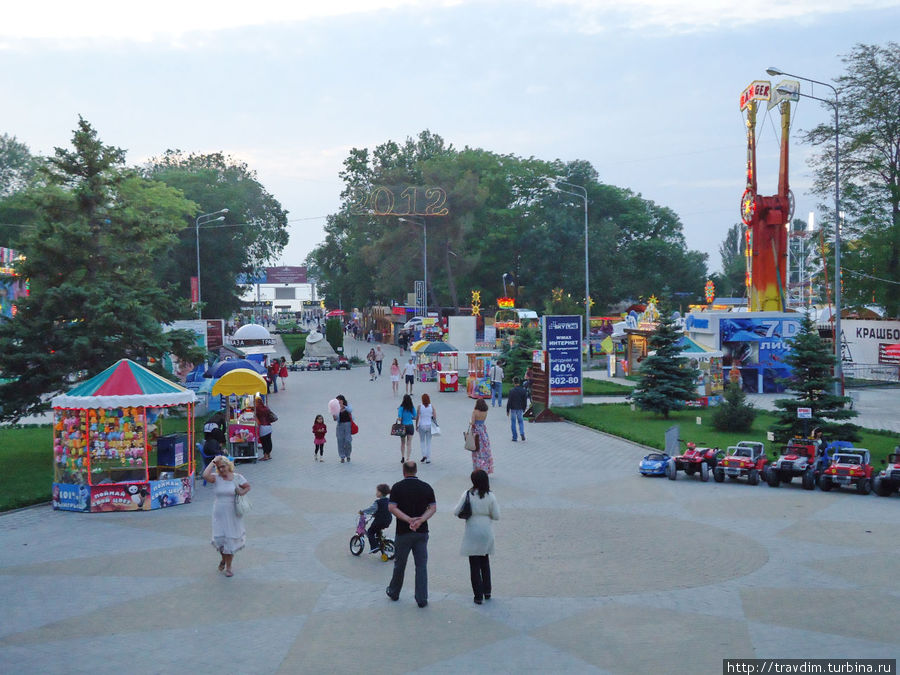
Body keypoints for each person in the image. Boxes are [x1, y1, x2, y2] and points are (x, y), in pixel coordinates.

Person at [386, 461, 436, 608]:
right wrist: (420, 520)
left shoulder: (397, 487)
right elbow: (433, 508)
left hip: (403, 532)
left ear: (404, 471)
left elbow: (391, 507)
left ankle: (394, 592)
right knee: (421, 565)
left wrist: (408, 519)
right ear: (416, 470)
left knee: (399, 564)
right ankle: (422, 598)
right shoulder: (426, 487)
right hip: (421, 532)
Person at [453, 469, 500, 604]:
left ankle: (478, 596)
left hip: (472, 530)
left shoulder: (468, 494)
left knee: (474, 564)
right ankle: (487, 591)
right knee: (485, 561)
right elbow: (497, 515)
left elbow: (456, 511)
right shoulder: (491, 496)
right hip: (486, 530)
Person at [202, 455, 250, 578]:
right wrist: (213, 462)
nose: (221, 470)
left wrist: (241, 492)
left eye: (223, 466)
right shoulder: (216, 478)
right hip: (219, 512)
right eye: (219, 467)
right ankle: (223, 559)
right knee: (220, 541)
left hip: (233, 512)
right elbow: (205, 475)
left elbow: (247, 487)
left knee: (230, 539)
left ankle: (229, 566)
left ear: (228, 466)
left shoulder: (237, 477)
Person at [360, 483, 393, 553]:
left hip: (380, 521)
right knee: (377, 530)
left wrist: (363, 512)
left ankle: (374, 547)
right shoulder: (388, 500)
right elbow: (385, 510)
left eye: (377, 491)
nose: (376, 493)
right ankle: (381, 543)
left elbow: (371, 509)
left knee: (370, 532)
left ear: (380, 493)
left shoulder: (378, 502)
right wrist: (376, 514)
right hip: (388, 520)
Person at [470, 398, 493, 475]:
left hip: (476, 432)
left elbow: (472, 423)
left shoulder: (475, 412)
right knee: (484, 451)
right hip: (483, 431)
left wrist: (470, 422)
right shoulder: (485, 412)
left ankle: (477, 468)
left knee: (476, 451)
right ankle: (485, 468)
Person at [416, 393, 437, 464]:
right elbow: (434, 417)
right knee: (428, 442)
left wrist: (416, 425)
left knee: (422, 441)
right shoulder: (432, 406)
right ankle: (428, 458)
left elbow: (417, 417)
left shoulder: (419, 406)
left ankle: (424, 454)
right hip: (429, 425)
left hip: (422, 425)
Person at [397, 394, 417, 464]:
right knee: (409, 443)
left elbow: (400, 418)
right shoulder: (412, 407)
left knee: (402, 443)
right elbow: (415, 417)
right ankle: (408, 458)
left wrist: (399, 418)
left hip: (403, 427)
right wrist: (410, 417)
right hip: (410, 426)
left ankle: (403, 457)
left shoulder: (401, 408)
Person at [507, 376, 527, 442]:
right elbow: (525, 401)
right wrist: (524, 408)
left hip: (513, 408)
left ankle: (514, 437)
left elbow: (509, 401)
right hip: (520, 408)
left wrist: (507, 410)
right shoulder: (523, 391)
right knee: (520, 421)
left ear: (514, 383)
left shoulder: (511, 391)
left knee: (513, 422)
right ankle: (522, 433)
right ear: (519, 382)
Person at [334, 394, 353, 463]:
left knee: (348, 440)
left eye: (340, 400)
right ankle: (342, 456)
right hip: (340, 425)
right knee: (340, 440)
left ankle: (348, 455)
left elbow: (351, 410)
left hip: (348, 425)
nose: (338, 402)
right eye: (337, 401)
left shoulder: (347, 406)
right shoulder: (335, 408)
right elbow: (335, 419)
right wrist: (335, 414)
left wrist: (343, 406)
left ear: (343, 400)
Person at [256, 396, 275, 461]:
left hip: (263, 427)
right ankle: (269, 454)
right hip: (269, 426)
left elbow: (257, 419)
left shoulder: (257, 409)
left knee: (264, 442)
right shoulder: (266, 408)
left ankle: (265, 456)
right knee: (268, 440)